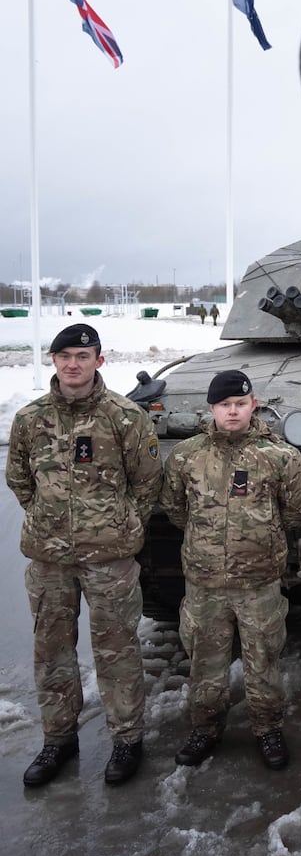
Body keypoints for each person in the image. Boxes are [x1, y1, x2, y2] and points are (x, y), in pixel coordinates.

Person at [6, 323, 162, 787]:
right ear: (53, 361)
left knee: (117, 650)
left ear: (99, 359)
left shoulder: (127, 417)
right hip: (49, 560)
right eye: (64, 356)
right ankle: (58, 738)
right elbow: (18, 478)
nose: (73, 364)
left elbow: (148, 481)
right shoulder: (30, 418)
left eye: (83, 354)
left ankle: (127, 739)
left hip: (110, 559)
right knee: (51, 651)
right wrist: (45, 519)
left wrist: (123, 525)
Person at [159, 369, 301, 770]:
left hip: (259, 580)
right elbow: (175, 508)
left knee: (263, 659)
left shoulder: (279, 456)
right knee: (205, 660)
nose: (233, 412)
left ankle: (268, 727)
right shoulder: (187, 455)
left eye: (240, 404)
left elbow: (297, 509)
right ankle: (206, 728)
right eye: (225, 405)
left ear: (253, 405)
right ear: (211, 408)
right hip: (205, 581)